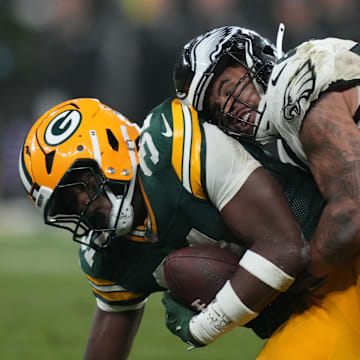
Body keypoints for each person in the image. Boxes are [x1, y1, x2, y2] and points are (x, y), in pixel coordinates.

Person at [19, 97, 322, 359]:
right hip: (305, 312)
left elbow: (285, 248)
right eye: (70, 203)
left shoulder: (176, 146)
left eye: (83, 184)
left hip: (342, 265)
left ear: (111, 146)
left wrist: (203, 327)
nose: (85, 204)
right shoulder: (108, 254)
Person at [171, 25, 360, 358]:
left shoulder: (293, 80)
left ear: (255, 58)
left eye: (229, 87)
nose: (230, 108)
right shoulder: (286, 146)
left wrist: (295, 283)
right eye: (217, 109)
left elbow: (351, 212)